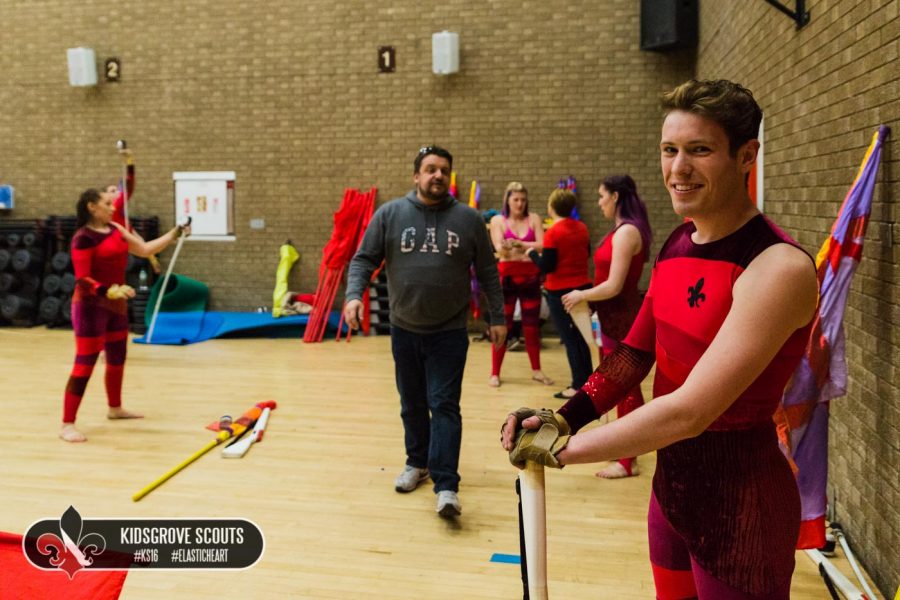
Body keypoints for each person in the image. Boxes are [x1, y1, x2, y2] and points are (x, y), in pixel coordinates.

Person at [501, 79, 818, 599]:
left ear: (746, 156)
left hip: (742, 506)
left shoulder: (777, 266)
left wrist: (563, 450)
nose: (678, 169)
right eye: (669, 150)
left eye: (700, 150)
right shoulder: (678, 240)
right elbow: (633, 353)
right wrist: (564, 416)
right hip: (670, 493)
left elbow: (690, 411)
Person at [343, 146, 506, 518]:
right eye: (430, 169)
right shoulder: (390, 214)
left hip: (449, 331)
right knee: (411, 402)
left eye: (443, 170)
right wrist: (354, 296)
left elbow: (488, 272)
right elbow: (363, 258)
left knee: (444, 404)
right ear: (416, 176)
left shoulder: (468, 220)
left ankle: (447, 484)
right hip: (404, 329)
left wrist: (497, 317)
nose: (437, 175)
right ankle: (417, 463)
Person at [60, 188, 190, 443]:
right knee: (85, 364)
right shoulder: (82, 238)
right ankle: (67, 424)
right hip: (90, 307)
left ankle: (115, 408)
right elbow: (82, 280)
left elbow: (143, 249)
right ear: (91, 207)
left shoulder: (116, 229)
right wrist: (109, 290)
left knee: (117, 358)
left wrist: (175, 233)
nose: (112, 207)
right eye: (107, 203)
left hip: (116, 303)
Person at [561, 174, 652, 478]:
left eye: (602, 196)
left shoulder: (627, 233)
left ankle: (627, 459)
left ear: (615, 197)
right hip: (611, 318)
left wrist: (581, 294)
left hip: (622, 318)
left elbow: (613, 285)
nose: (599, 202)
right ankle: (625, 452)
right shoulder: (621, 230)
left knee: (624, 388)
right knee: (615, 386)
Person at [524, 188, 593, 399]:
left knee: (570, 339)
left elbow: (548, 266)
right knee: (582, 337)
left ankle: (576, 385)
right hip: (582, 288)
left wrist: (532, 254)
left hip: (559, 292)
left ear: (551, 207)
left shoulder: (553, 231)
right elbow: (586, 253)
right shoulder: (582, 227)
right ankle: (588, 382)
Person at [488, 182, 552, 388]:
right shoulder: (498, 220)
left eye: (523, 200)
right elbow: (499, 248)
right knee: (502, 326)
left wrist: (522, 245)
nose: (520, 203)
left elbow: (543, 246)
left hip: (530, 277)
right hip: (506, 278)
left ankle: (537, 370)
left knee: (531, 326)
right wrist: (509, 247)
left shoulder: (533, 218)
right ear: (508, 200)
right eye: (516, 199)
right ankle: (495, 372)